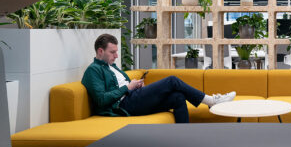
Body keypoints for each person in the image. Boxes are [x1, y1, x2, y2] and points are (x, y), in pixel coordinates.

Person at [82, 34, 235, 123]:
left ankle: (185, 138)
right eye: (112, 52)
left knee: (178, 97)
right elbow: (101, 99)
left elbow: (121, 86)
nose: (116, 56)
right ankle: (211, 101)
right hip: (124, 105)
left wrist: (134, 86)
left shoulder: (112, 66)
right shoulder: (93, 70)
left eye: (116, 52)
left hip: (132, 97)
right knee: (172, 80)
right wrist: (128, 88)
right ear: (100, 51)